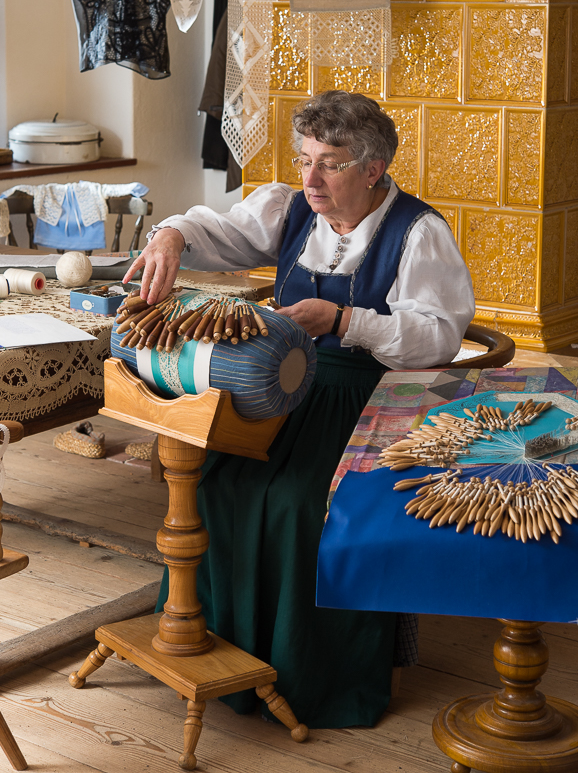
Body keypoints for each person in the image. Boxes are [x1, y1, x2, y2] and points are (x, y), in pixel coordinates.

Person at [124, 90, 475, 729]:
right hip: (283, 386)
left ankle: (311, 677)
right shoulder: (290, 210)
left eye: (331, 163)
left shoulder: (418, 232)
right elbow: (219, 230)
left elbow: (438, 336)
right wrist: (173, 234)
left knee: (297, 504)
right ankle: (219, 654)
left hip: (371, 396)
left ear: (373, 168)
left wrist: (346, 319)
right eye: (304, 159)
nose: (310, 179)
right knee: (214, 482)